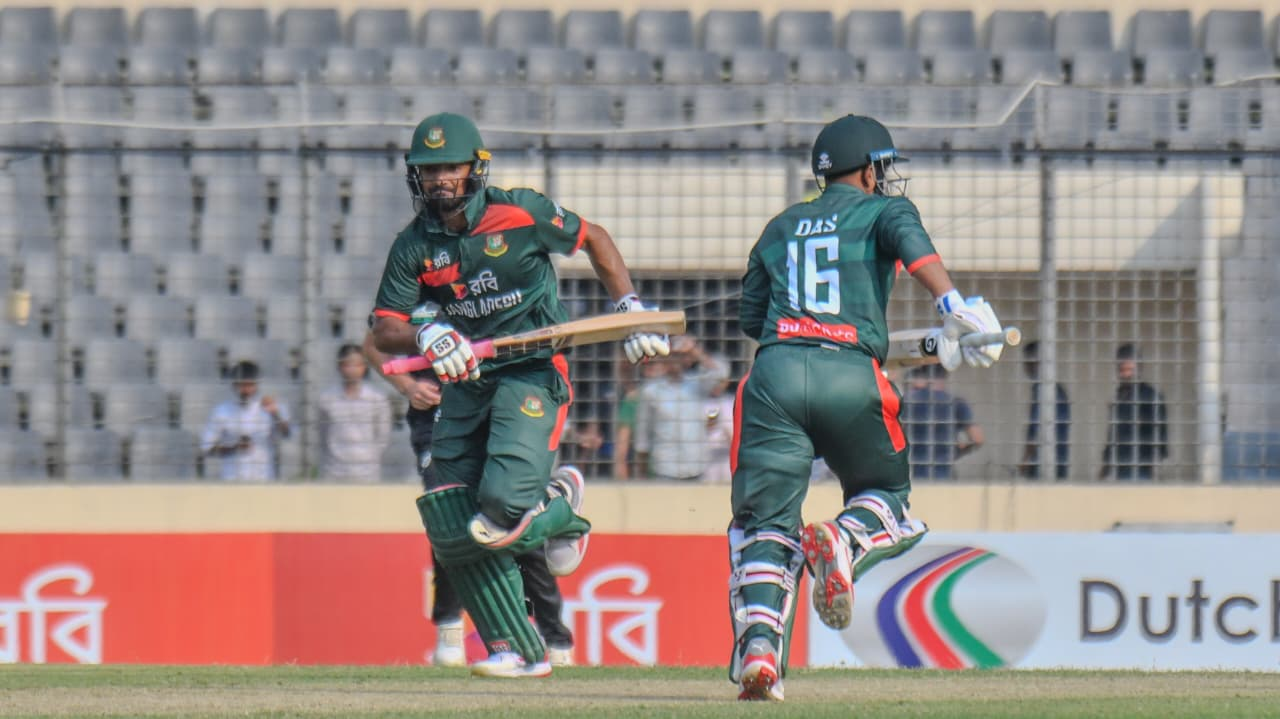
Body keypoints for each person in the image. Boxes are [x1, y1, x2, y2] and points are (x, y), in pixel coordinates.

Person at [369, 113, 668, 677]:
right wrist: (426, 333)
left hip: (531, 370)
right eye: (429, 170)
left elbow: (594, 238)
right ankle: (513, 646)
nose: (439, 179)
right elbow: (384, 328)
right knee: (450, 518)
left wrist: (629, 309)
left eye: (450, 167)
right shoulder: (414, 245)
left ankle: (557, 505)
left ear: (475, 168)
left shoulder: (521, 212)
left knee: (502, 508)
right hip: (466, 380)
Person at [729, 115, 1005, 701]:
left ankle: (760, 650)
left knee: (763, 525)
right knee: (888, 496)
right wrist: (952, 305)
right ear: (867, 169)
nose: (886, 177)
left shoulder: (779, 225)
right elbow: (912, 246)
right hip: (851, 373)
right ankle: (845, 539)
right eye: (882, 166)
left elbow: (752, 319)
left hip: (774, 374)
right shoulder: (886, 212)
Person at [363, 314, 577, 669]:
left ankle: (555, 637)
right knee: (448, 517)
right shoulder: (410, 292)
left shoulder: (487, 291)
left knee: (514, 519)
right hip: (435, 418)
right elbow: (373, 343)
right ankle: (449, 630)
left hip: (493, 408)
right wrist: (408, 386)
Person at [634, 336, 729, 481]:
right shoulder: (651, 391)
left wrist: (695, 351)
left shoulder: (697, 383)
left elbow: (721, 374)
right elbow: (643, 434)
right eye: (672, 356)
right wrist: (641, 470)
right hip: (665, 467)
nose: (675, 360)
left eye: (679, 356)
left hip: (696, 466)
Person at [200, 360, 291, 482]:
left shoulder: (271, 407)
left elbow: (287, 434)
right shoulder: (221, 411)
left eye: (250, 385)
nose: (246, 390)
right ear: (233, 385)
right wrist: (235, 448)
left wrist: (275, 414)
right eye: (241, 385)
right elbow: (207, 448)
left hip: (264, 479)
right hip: (231, 480)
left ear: (256, 385)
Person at [316, 344, 392, 483]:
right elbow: (323, 434)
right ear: (340, 366)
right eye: (347, 365)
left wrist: (369, 457)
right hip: (334, 471)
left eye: (357, 365)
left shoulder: (377, 399)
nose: (352, 370)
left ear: (364, 367)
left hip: (367, 472)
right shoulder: (327, 399)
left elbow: (382, 436)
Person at [900, 363, 984, 481]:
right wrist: (956, 450)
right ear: (945, 376)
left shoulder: (909, 401)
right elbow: (977, 438)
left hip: (917, 472)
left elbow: (895, 434)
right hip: (945, 472)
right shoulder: (956, 403)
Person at [1100, 343, 1168, 481]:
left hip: (1141, 466)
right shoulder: (1120, 395)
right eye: (1122, 370)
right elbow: (1114, 434)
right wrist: (1106, 465)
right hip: (1120, 465)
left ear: (1139, 368)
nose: (1126, 374)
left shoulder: (1150, 395)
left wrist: (1155, 464)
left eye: (1130, 369)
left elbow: (1160, 433)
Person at [1018, 340, 1071, 480]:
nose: (1027, 367)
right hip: (1058, 458)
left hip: (1044, 460)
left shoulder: (1046, 391)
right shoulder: (1054, 390)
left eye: (1029, 362)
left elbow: (1037, 428)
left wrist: (1026, 458)